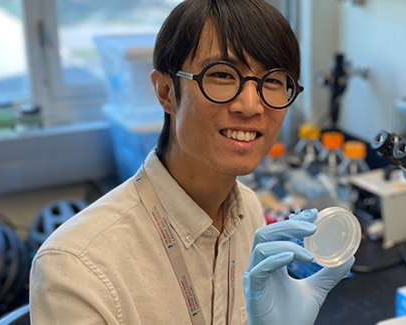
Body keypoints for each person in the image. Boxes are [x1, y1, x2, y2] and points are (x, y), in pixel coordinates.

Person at [29, 0, 354, 324]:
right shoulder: (76, 268)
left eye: (272, 80)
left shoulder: (250, 212)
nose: (251, 106)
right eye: (224, 75)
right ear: (166, 91)